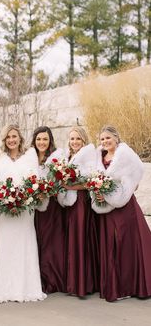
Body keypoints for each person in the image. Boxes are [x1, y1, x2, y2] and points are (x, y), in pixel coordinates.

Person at [93, 125, 151, 302]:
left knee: (128, 243)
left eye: (108, 138)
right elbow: (94, 178)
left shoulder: (125, 156)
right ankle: (115, 286)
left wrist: (120, 190)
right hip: (106, 208)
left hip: (125, 206)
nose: (105, 142)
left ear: (116, 138)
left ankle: (133, 285)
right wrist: (97, 192)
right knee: (111, 245)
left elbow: (135, 176)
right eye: (102, 139)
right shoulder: (99, 157)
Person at [0, 124, 46, 302]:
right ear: (4, 140)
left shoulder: (30, 155)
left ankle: (27, 288)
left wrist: (23, 199)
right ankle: (3, 289)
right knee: (5, 243)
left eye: (14, 136)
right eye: (8, 137)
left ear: (20, 138)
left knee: (24, 243)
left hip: (24, 209)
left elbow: (34, 180)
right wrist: (5, 200)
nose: (12, 140)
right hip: (4, 210)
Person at [57, 126, 99, 297]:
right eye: (72, 139)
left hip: (81, 202)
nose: (74, 142)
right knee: (72, 240)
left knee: (80, 239)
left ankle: (83, 283)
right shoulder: (67, 157)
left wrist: (70, 185)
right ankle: (74, 281)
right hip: (69, 203)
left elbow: (91, 181)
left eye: (78, 139)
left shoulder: (89, 155)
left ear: (84, 141)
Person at [31, 126, 66, 293]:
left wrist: (47, 191)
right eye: (39, 139)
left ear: (50, 141)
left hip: (51, 207)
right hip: (33, 207)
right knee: (36, 241)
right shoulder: (29, 158)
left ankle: (52, 280)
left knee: (51, 242)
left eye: (45, 139)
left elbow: (60, 182)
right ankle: (37, 280)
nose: (42, 142)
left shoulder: (55, 159)